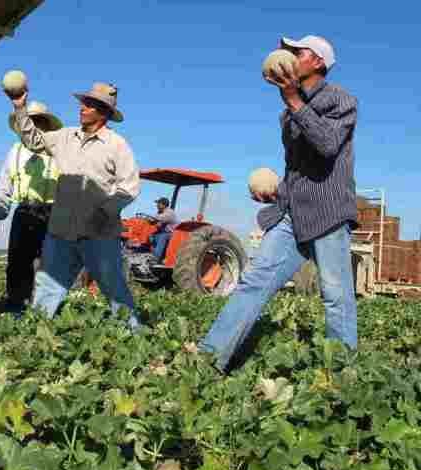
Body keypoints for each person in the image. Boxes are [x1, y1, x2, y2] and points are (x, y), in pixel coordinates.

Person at [198, 35, 359, 372]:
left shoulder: (340, 99)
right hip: (292, 214)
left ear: (317, 62)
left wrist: (292, 99)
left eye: (296, 52)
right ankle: (209, 359)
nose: (287, 57)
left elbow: (328, 145)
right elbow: (299, 170)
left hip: (328, 212)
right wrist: (277, 192)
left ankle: (341, 376)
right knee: (254, 282)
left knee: (335, 296)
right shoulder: (288, 115)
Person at [8, 82, 141, 329]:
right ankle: (34, 337)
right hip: (60, 231)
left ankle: (135, 335)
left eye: (89, 105)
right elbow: (33, 140)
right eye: (83, 102)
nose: (82, 107)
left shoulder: (117, 145)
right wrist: (20, 107)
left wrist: (106, 211)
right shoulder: (65, 137)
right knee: (48, 286)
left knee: (113, 287)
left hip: (98, 234)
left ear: (104, 113)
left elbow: (130, 186)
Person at [0, 101, 62, 313]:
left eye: (37, 121)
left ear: (45, 125)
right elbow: (5, 184)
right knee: (18, 263)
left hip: (52, 212)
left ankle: (46, 311)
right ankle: (15, 307)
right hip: (24, 211)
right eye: (29, 121)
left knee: (50, 265)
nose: (33, 126)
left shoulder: (56, 151)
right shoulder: (15, 151)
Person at [149, 197, 178, 264]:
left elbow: (161, 219)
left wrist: (152, 220)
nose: (157, 205)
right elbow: (156, 223)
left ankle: (155, 258)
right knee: (150, 235)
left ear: (164, 205)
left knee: (162, 236)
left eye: (159, 204)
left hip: (171, 233)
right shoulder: (159, 212)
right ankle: (148, 253)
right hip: (162, 232)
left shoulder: (169, 212)